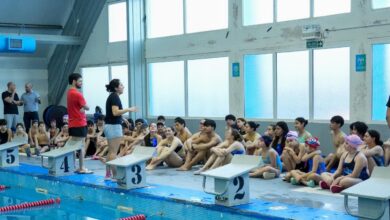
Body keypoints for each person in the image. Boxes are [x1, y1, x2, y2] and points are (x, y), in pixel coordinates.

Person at [104, 79, 137, 181]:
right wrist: (128, 109)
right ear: (116, 88)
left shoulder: (112, 96)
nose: (123, 87)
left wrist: (122, 118)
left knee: (110, 152)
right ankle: (115, 175)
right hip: (113, 127)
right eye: (121, 85)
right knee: (113, 152)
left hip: (109, 126)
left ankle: (108, 174)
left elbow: (112, 113)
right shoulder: (115, 97)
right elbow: (115, 112)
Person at [67, 73, 92, 174]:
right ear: (74, 81)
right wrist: (84, 108)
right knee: (81, 146)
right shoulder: (78, 94)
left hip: (72, 124)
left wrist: (80, 108)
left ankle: (73, 166)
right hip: (80, 123)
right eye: (80, 81)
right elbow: (87, 107)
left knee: (73, 146)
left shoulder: (69, 93)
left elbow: (76, 106)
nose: (81, 83)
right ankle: (82, 168)